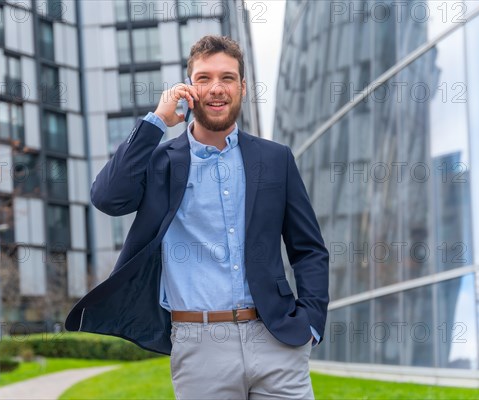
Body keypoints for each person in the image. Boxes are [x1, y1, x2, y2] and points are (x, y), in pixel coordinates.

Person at [65, 35, 329, 399]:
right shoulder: (160, 162)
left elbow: (309, 249)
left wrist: (312, 321)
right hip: (199, 347)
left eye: (227, 78)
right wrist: (157, 120)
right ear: (189, 88)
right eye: (204, 78)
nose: (216, 89)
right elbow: (108, 197)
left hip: (277, 340)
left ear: (243, 87)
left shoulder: (275, 159)